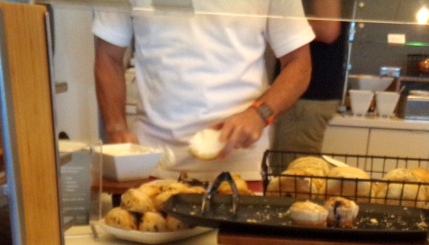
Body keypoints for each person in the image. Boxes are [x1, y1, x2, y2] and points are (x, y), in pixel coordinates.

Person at [92, 1, 315, 180]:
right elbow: (108, 57)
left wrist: (260, 114)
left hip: (238, 168)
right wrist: (116, 128)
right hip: (152, 163)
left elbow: (299, 63)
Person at [271, 0, 348, 164]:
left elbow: (328, 29)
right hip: (305, 93)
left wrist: (272, 20)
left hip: (306, 93)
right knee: (289, 175)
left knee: (294, 177)